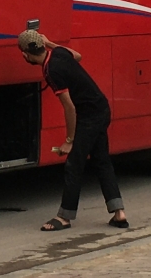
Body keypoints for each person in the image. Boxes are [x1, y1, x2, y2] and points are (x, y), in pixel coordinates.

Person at [18, 29, 128, 232]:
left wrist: (69, 139)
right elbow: (77, 56)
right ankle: (118, 212)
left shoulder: (51, 70)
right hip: (102, 108)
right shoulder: (58, 53)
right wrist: (51, 42)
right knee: (102, 160)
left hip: (89, 116)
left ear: (25, 54)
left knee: (73, 164)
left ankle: (64, 217)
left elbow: (69, 106)